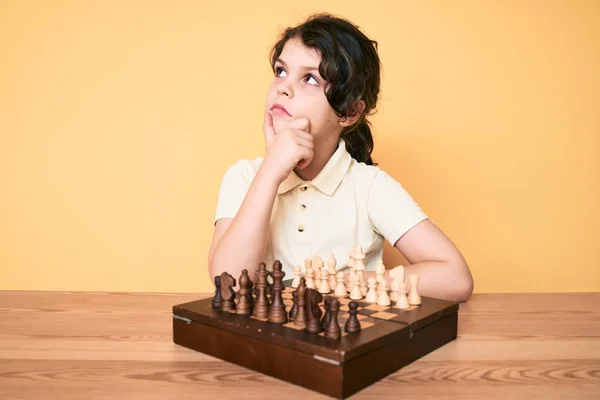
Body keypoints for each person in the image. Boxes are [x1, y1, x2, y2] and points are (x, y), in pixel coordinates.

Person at [208, 13, 473, 302]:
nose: (283, 87)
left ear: (349, 112)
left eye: (310, 78)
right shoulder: (245, 176)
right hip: (264, 342)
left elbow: (455, 278)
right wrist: (270, 172)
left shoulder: (369, 187)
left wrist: (338, 282)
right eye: (281, 71)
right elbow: (229, 283)